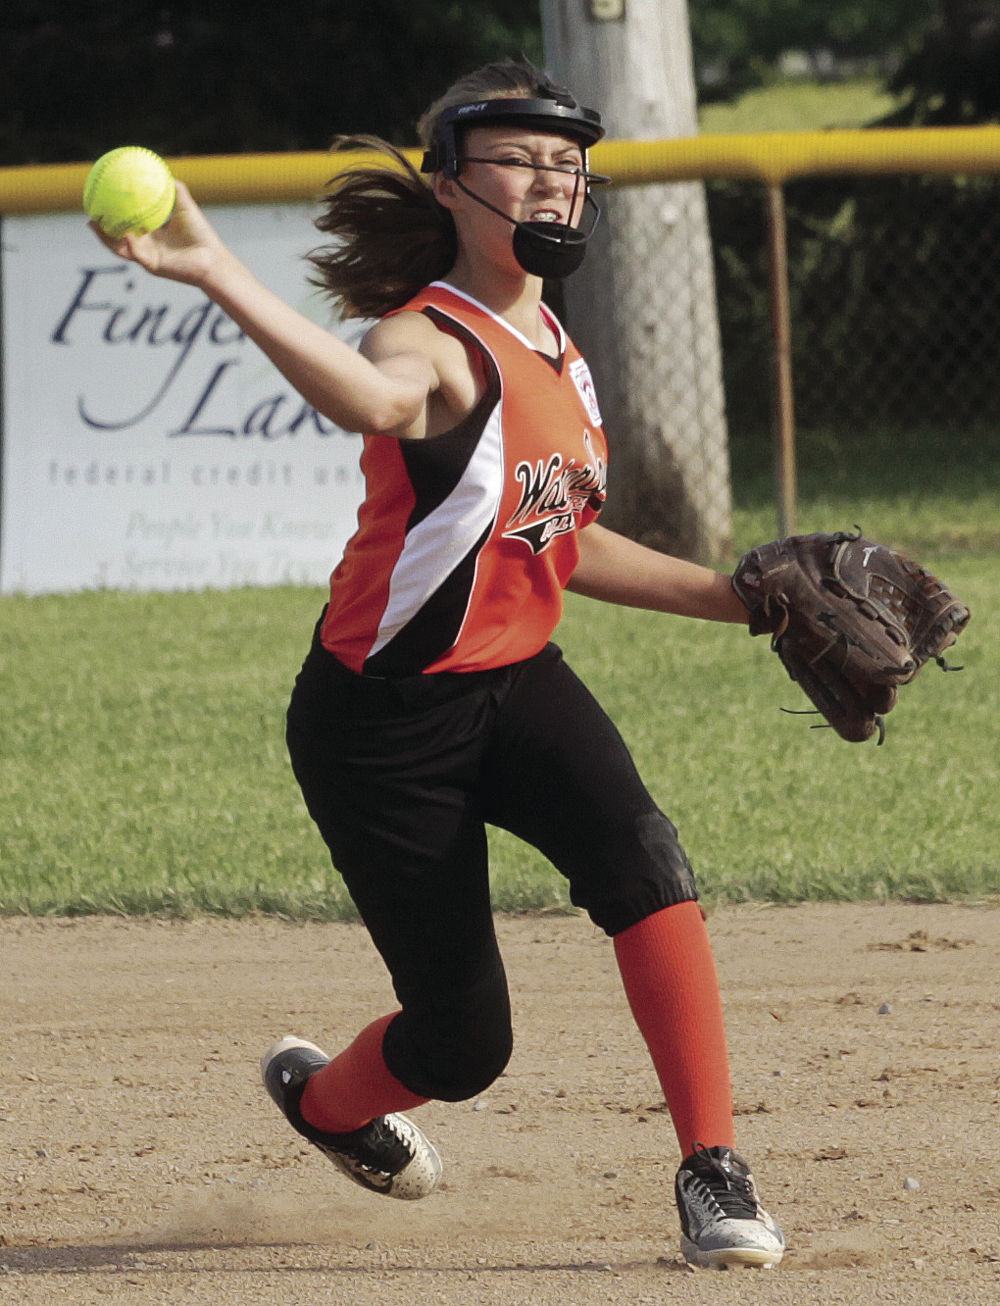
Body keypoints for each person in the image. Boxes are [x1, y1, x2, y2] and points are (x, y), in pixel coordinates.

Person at [92, 58, 784, 1271]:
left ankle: (711, 1169)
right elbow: (367, 396)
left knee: (643, 856)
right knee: (464, 1047)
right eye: (518, 157)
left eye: (567, 163)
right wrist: (213, 272)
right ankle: (326, 1105)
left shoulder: (558, 347)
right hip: (380, 729)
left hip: (517, 681)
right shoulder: (425, 337)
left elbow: (557, 537)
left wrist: (742, 604)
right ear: (451, 181)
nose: (550, 182)